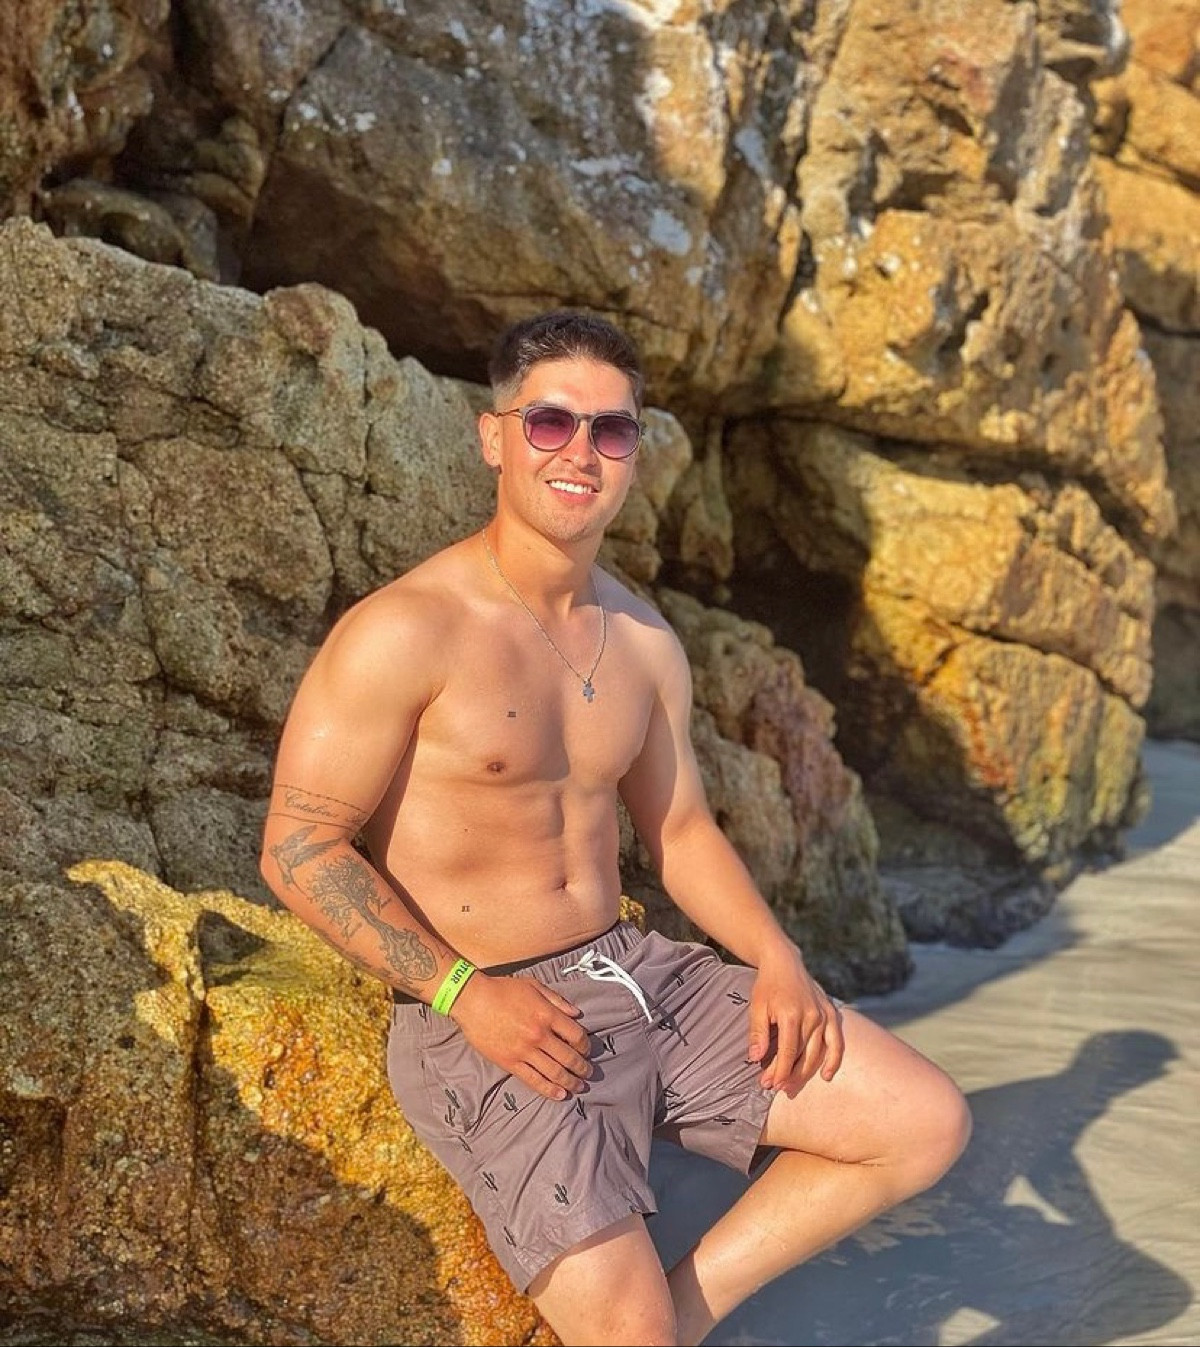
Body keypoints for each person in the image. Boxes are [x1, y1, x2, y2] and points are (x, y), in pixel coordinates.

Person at [260, 310, 971, 1346]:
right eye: (550, 422)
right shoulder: (408, 630)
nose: (581, 452)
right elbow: (299, 848)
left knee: (922, 1121)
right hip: (493, 1012)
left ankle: (674, 1324)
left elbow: (680, 829)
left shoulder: (642, 640)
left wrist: (777, 956)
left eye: (613, 430)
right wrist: (464, 994)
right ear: (494, 436)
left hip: (638, 974)